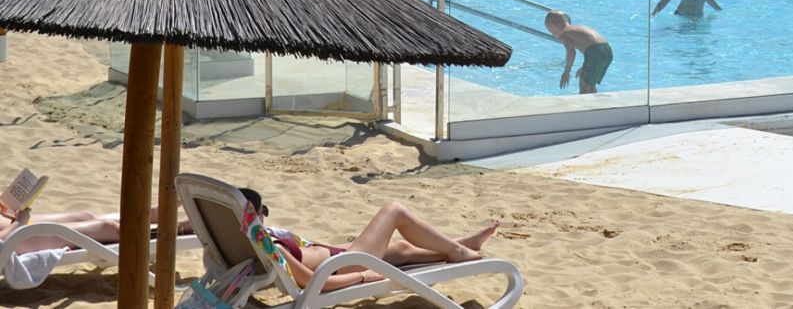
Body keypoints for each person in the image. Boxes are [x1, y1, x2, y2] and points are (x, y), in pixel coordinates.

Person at [239, 188, 499, 292]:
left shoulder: (242, 241)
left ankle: (462, 244)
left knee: (401, 248)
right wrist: (363, 277)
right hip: (345, 266)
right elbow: (315, 282)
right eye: (263, 213)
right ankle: (457, 250)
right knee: (394, 211)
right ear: (255, 216)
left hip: (338, 257)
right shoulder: (268, 247)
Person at [0, 203, 189, 254]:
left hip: (14, 227)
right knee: (106, 228)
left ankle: (150, 215)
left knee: (86, 216)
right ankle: (179, 227)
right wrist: (19, 223)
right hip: (15, 241)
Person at [544, 11, 613, 94]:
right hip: (607, 51)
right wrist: (584, 67)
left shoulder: (564, 33)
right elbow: (594, 47)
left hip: (595, 52)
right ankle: (594, 103)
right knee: (588, 80)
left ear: (553, 25)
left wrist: (566, 72)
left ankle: (584, 105)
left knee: (585, 83)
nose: (552, 34)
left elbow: (571, 52)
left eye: (550, 31)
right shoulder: (577, 28)